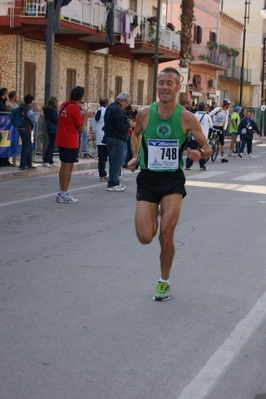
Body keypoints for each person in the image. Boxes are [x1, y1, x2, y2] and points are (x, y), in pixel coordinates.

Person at [127, 67, 212, 301]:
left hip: (172, 180)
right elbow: (136, 135)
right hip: (148, 178)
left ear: (178, 87)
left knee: (166, 235)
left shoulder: (186, 117)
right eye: (161, 83)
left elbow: (208, 147)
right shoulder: (145, 114)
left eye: (169, 83)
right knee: (145, 237)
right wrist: (136, 156)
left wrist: (200, 154)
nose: (164, 87)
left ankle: (164, 282)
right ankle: (154, 211)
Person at [55, 86, 94, 204]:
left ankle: (61, 192)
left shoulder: (64, 104)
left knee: (63, 165)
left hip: (61, 138)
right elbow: (81, 128)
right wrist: (85, 117)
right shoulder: (75, 109)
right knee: (68, 167)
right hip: (70, 140)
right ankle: (63, 193)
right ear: (81, 97)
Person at [103, 91, 135, 192]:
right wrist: (129, 124)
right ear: (123, 101)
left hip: (109, 137)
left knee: (113, 161)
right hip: (117, 139)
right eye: (127, 102)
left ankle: (115, 182)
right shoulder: (117, 110)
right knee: (116, 162)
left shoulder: (111, 107)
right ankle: (112, 183)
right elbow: (120, 126)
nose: (127, 105)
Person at [185, 102, 213, 171]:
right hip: (203, 137)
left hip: (194, 136)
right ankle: (202, 165)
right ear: (204, 108)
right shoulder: (207, 116)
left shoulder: (194, 115)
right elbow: (211, 125)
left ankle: (188, 165)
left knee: (193, 150)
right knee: (203, 151)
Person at [18, 94, 40, 170]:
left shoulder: (22, 107)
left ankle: (29, 163)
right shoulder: (28, 109)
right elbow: (34, 120)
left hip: (21, 128)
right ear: (31, 101)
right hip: (26, 129)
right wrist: (37, 112)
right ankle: (23, 164)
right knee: (26, 147)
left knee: (29, 146)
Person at [92, 97, 109, 181]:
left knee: (101, 158)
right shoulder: (107, 112)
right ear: (107, 103)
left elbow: (94, 125)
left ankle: (102, 174)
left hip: (99, 138)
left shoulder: (96, 112)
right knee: (111, 157)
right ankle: (114, 174)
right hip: (107, 137)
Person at [209, 98, 231, 163]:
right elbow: (210, 114)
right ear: (225, 104)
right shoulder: (218, 109)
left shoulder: (227, 111)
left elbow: (226, 121)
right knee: (208, 139)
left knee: (222, 143)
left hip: (220, 127)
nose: (228, 106)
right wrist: (210, 123)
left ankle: (222, 157)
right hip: (213, 126)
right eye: (228, 104)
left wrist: (224, 129)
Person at [42, 96, 58, 167]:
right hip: (53, 127)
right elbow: (56, 120)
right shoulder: (53, 110)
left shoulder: (47, 110)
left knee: (52, 144)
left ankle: (50, 160)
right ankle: (46, 160)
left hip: (49, 127)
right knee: (51, 145)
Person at [0, 87, 11, 167]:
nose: (7, 94)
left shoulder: (5, 102)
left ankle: (5, 160)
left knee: (5, 143)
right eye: (6, 93)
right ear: (4, 93)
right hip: (1, 124)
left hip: (5, 125)